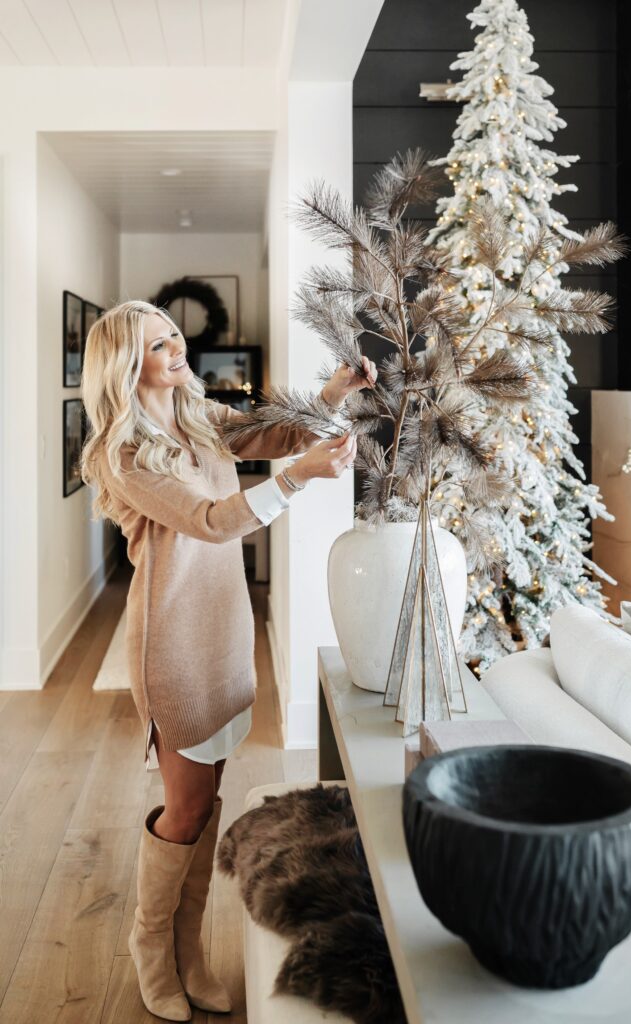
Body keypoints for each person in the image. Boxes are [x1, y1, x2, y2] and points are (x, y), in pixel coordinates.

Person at [81, 299, 377, 1021]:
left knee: (207, 800)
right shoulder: (120, 454)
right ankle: (150, 947)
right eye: (158, 343)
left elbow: (267, 433)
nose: (177, 348)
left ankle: (189, 952)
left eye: (174, 334)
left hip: (223, 632)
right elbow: (212, 522)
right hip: (174, 645)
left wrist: (334, 394)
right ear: (127, 365)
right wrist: (301, 477)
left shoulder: (194, 414)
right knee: (184, 810)